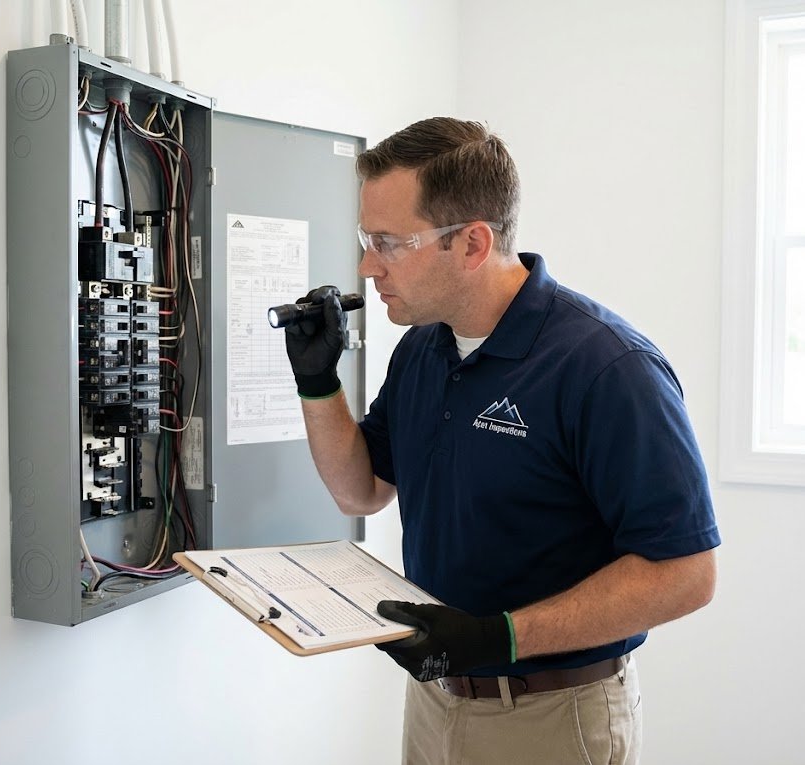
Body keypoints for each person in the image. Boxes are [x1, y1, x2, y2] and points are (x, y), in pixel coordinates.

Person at [283, 117, 720, 765]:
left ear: (472, 243)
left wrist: (500, 636)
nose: (366, 265)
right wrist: (318, 382)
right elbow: (361, 488)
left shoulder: (605, 367)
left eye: (388, 242)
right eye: (364, 238)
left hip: (553, 714)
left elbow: (687, 574)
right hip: (436, 703)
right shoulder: (422, 349)